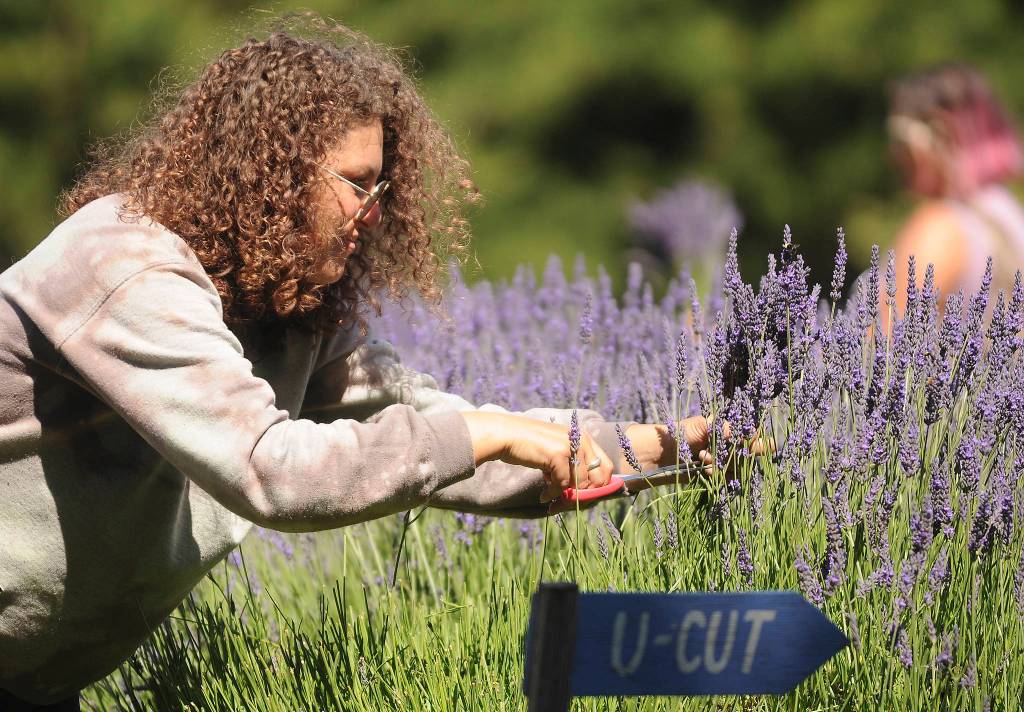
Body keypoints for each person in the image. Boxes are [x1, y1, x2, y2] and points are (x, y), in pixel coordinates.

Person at [0, 15, 716, 708]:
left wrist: (660, 447)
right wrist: (486, 435)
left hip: (36, 683)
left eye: (382, 190)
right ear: (268, 171)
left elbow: (431, 430)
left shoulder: (289, 314)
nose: (372, 213)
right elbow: (274, 469)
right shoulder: (126, 268)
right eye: (355, 182)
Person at [884, 62, 1024, 321]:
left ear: (941, 133)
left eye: (900, 141)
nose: (894, 155)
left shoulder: (940, 227)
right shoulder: (1009, 211)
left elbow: (882, 341)